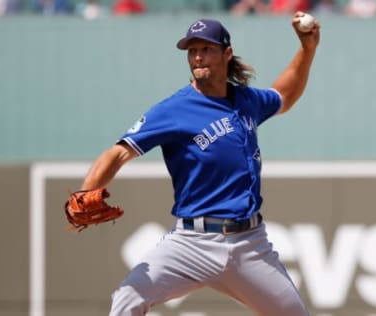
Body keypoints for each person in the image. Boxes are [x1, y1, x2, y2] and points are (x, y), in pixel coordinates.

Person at [75, 12, 320, 316]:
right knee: (126, 299)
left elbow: (283, 94)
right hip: (191, 244)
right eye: (192, 50)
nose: (198, 57)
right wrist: (86, 191)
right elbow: (119, 152)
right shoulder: (173, 110)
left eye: (206, 49)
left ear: (226, 54)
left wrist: (307, 50)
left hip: (250, 244)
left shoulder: (246, 101)